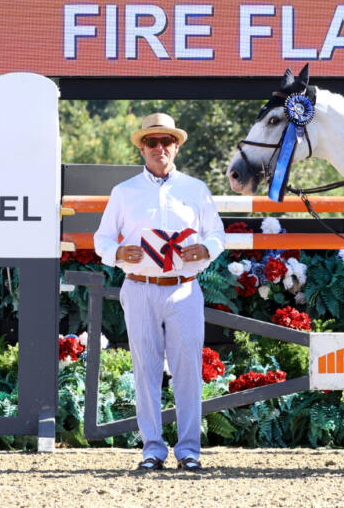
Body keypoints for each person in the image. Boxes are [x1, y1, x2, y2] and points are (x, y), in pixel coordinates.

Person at [93, 112, 223, 474]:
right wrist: (117, 253)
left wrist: (207, 250)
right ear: (142, 149)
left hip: (183, 289)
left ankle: (189, 450)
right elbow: (101, 238)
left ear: (176, 146)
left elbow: (217, 233)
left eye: (166, 141)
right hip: (139, 287)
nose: (159, 147)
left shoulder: (195, 189)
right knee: (145, 370)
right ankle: (152, 447)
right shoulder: (124, 192)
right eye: (152, 141)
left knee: (187, 372)